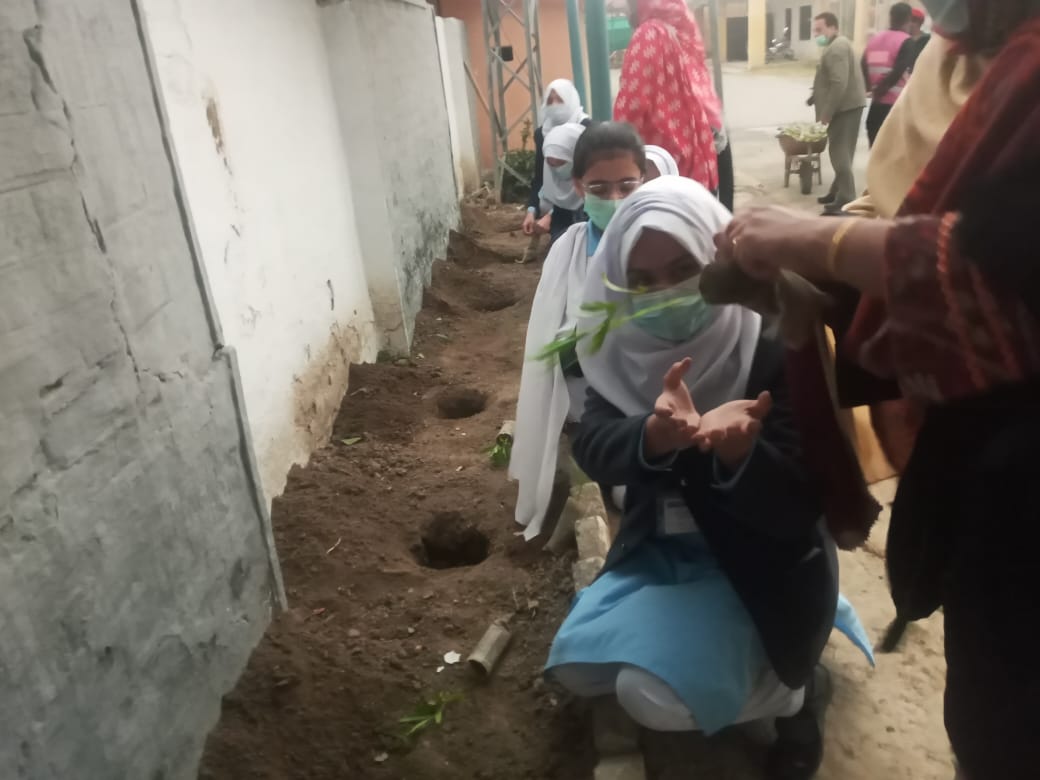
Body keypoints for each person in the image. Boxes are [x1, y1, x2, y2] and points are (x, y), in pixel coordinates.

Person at [718, 5, 1040, 777]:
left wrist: (813, 240)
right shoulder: (945, 61)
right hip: (975, 469)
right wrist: (824, 271)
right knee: (985, 699)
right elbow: (897, 208)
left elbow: (992, 266)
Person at [544, 177, 874, 780]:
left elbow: (802, 503)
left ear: (717, 260)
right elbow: (593, 445)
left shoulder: (774, 341)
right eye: (641, 280)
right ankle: (764, 665)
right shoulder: (620, 345)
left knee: (650, 696)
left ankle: (800, 694)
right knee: (580, 671)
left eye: (683, 269)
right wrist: (653, 434)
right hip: (664, 550)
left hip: (763, 560)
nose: (665, 293)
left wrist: (740, 456)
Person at [510, 123, 647, 540]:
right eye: (599, 188)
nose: (615, 198)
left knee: (638, 495)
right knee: (619, 484)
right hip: (586, 404)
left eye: (627, 186)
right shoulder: (568, 250)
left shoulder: (662, 245)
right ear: (577, 187)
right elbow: (546, 334)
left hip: (652, 401)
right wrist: (579, 346)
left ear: (644, 180)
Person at [614, 0, 727, 196]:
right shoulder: (685, 34)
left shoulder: (649, 34)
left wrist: (613, 150)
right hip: (701, 161)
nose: (626, 10)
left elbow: (632, 106)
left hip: (663, 166)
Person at [809, 12, 867, 215]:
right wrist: (815, 97)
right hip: (848, 105)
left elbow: (839, 83)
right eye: (815, 30)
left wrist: (827, 112)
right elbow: (831, 80)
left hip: (844, 108)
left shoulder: (837, 48)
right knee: (843, 153)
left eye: (820, 29)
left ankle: (847, 199)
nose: (817, 34)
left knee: (839, 154)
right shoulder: (836, 44)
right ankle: (837, 192)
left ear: (833, 27)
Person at [523, 79, 591, 243]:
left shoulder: (588, 129)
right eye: (550, 100)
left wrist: (552, 215)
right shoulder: (542, 133)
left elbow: (592, 180)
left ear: (571, 99)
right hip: (556, 204)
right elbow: (540, 177)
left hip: (586, 205)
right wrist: (531, 211)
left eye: (560, 99)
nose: (554, 105)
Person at [862, 3, 913, 146]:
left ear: (890, 17)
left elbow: (863, 64)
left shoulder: (875, 39)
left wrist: (871, 88)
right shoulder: (906, 41)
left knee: (875, 148)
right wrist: (882, 89)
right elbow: (898, 70)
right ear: (908, 19)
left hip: (876, 106)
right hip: (895, 107)